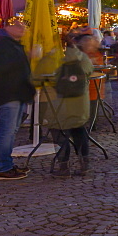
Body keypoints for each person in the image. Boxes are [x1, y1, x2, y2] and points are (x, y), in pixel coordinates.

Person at [0, 21, 36, 180]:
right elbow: (3, 67)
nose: (22, 30)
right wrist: (25, 58)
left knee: (12, 131)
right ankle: (2, 166)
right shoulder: (2, 44)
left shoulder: (12, 43)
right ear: (8, 27)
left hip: (17, 92)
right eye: (18, 26)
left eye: (24, 27)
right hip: (9, 93)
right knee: (6, 132)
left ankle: (6, 163)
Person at [47, 34, 94, 176]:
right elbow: (89, 71)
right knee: (79, 130)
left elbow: (52, 78)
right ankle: (85, 165)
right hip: (80, 102)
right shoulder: (83, 58)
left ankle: (63, 166)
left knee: (60, 131)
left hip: (62, 103)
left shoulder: (58, 59)